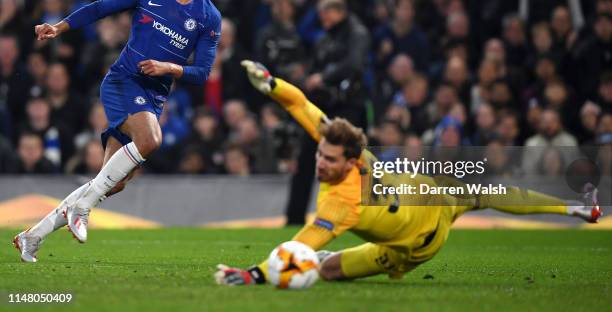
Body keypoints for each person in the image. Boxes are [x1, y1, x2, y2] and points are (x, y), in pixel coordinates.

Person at [214, 60, 601, 286]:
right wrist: (270, 84)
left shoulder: (341, 205)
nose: (321, 163)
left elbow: (297, 246)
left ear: (351, 163)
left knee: (328, 271)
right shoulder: (349, 148)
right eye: (320, 154)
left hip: (417, 245)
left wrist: (252, 275)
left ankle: (573, 208)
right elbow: (301, 104)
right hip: (428, 195)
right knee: (490, 194)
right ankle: (575, 208)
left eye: (330, 160)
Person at [13, 0, 221, 262]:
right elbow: (100, 8)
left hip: (155, 95)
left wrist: (168, 67)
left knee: (113, 181)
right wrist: (60, 27)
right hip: (123, 80)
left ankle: (33, 236)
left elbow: (203, 72)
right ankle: (82, 208)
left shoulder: (209, 16)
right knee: (150, 139)